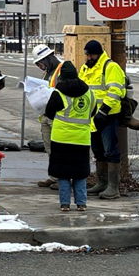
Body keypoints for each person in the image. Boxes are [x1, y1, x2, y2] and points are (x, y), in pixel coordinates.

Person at [79, 40, 127, 200]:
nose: (88, 57)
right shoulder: (86, 68)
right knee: (98, 150)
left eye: (91, 54)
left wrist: (104, 111)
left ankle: (113, 187)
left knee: (110, 150)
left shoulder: (110, 67)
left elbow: (116, 91)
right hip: (91, 117)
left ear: (98, 53)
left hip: (107, 116)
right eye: (87, 54)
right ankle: (102, 182)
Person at [44, 62, 95, 212]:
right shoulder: (89, 92)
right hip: (82, 139)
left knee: (63, 173)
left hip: (61, 138)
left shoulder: (58, 93)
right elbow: (92, 112)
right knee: (80, 173)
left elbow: (49, 112)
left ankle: (65, 204)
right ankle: (81, 203)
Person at [31, 43, 72, 190]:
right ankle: (54, 176)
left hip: (58, 116)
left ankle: (63, 179)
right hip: (46, 115)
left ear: (48, 58)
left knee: (59, 149)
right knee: (50, 148)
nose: (40, 67)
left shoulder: (62, 70)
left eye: (40, 63)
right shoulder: (48, 72)